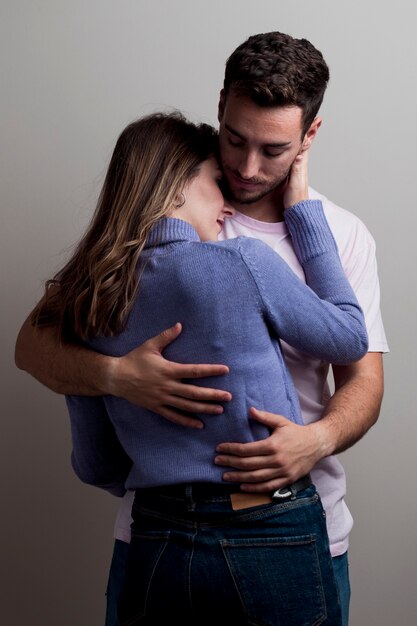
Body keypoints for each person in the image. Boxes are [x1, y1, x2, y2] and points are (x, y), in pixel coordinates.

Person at [14, 31, 388, 626]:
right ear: (219, 106)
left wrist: (313, 442)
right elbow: (32, 346)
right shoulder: (145, 235)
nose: (245, 167)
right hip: (167, 534)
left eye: (272, 150)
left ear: (309, 137)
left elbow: (364, 376)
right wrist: (118, 376)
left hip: (288, 515)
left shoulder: (342, 236)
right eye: (235, 142)